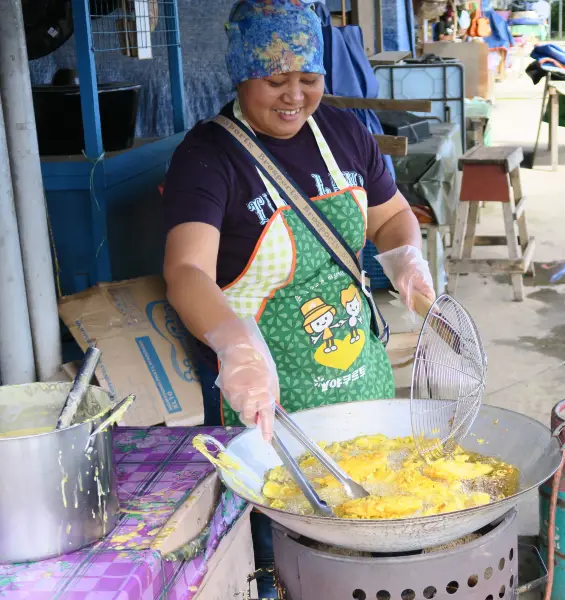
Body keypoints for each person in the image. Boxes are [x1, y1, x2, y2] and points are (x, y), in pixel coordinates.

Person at [160, 0, 435, 596]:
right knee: (291, 566)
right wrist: (236, 345)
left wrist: (405, 257)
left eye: (308, 79)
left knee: (381, 541)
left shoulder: (343, 133)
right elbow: (185, 271)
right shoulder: (209, 157)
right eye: (275, 79)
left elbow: (391, 221)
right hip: (269, 411)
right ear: (240, 73)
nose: (294, 96)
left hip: (363, 386)